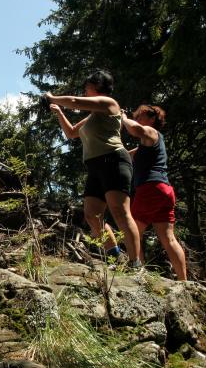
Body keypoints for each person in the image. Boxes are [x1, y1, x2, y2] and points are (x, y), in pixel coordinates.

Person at [43, 70, 141, 267]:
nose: (85, 91)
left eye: (87, 87)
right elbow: (71, 133)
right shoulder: (93, 116)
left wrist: (51, 97)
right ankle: (115, 256)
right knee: (92, 215)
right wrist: (59, 112)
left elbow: (75, 102)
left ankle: (135, 263)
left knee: (120, 212)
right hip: (95, 166)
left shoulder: (109, 103)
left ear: (96, 86)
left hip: (113, 160)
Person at [122, 105, 187, 280]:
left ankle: (138, 274)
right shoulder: (150, 143)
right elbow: (126, 155)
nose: (137, 120)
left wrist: (123, 118)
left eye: (140, 116)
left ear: (152, 119)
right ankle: (184, 282)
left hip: (150, 188)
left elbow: (135, 129)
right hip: (164, 190)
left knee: (133, 232)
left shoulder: (151, 132)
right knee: (169, 238)